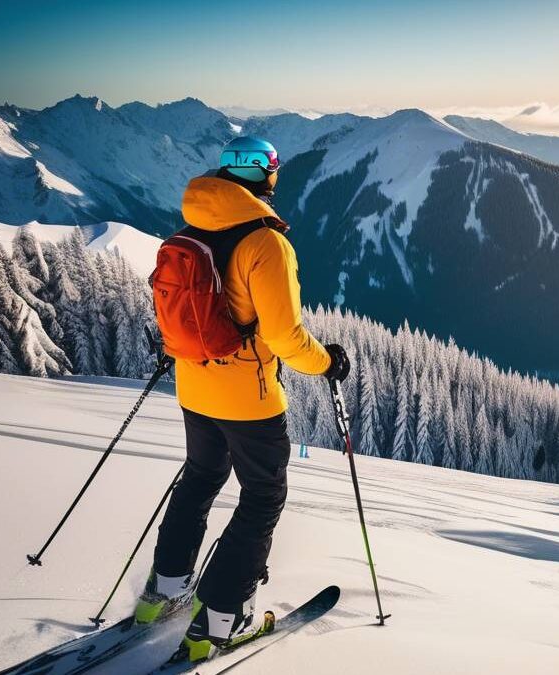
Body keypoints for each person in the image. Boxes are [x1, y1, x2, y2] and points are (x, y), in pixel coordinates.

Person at [136, 136, 351, 663]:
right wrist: (328, 362)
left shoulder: (190, 228)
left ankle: (161, 594)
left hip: (194, 388)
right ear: (267, 177)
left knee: (200, 480)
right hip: (249, 401)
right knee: (261, 498)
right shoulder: (265, 244)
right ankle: (219, 620)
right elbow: (285, 338)